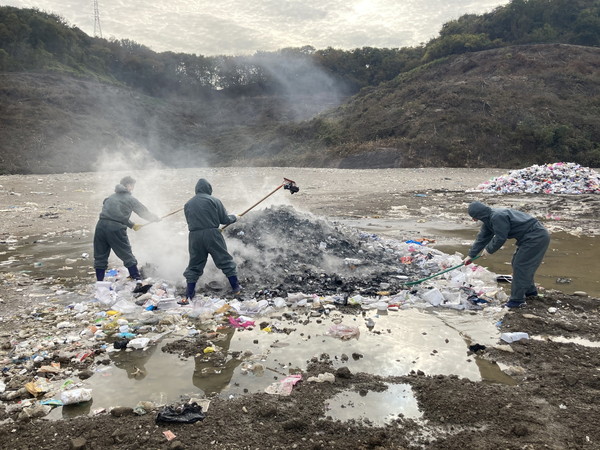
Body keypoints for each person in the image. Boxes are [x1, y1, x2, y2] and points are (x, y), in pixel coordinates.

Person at [463, 201, 550, 308]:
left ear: (480, 214)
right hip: (528, 238)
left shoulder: (497, 216)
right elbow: (482, 238)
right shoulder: (489, 219)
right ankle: (530, 292)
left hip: (536, 237)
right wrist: (471, 255)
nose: (474, 220)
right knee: (517, 263)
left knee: (521, 266)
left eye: (475, 217)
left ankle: (517, 300)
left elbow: (500, 237)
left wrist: (489, 250)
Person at [181, 178, 240, 305]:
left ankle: (189, 294)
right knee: (225, 260)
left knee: (194, 264)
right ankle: (236, 289)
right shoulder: (214, 200)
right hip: (212, 234)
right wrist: (235, 217)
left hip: (194, 236)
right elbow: (224, 219)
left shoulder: (188, 204)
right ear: (209, 189)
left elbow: (189, 221)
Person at [93, 176, 160, 283]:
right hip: (115, 229)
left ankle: (99, 283)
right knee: (126, 253)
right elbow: (143, 212)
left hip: (100, 226)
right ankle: (137, 280)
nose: (133, 188)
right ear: (128, 185)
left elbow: (113, 215)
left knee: (100, 255)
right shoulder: (130, 199)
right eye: (132, 186)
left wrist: (132, 225)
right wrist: (154, 218)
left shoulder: (110, 198)